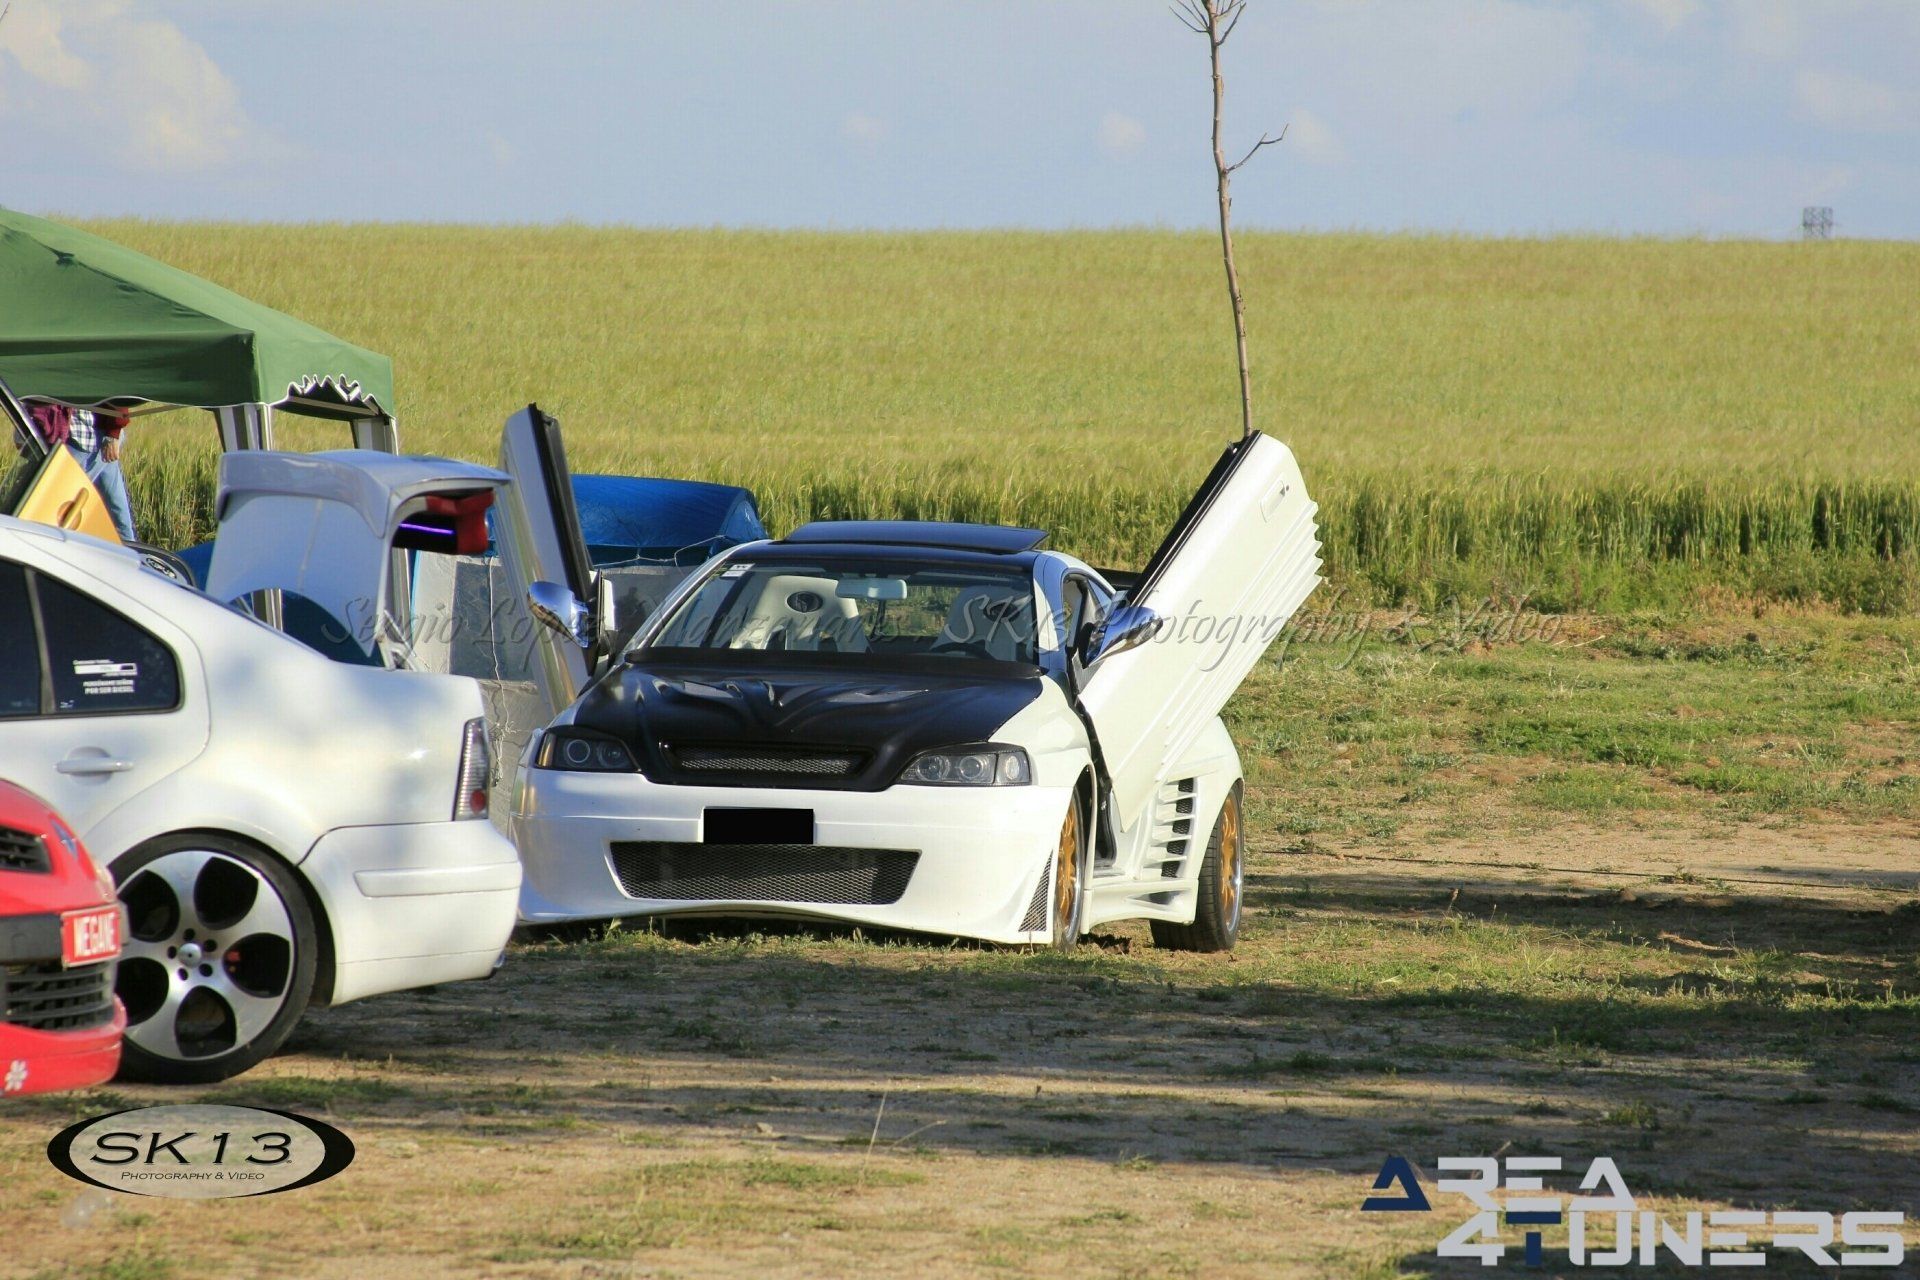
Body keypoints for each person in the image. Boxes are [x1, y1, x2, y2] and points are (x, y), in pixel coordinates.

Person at [26, 400, 137, 543]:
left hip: (88, 437)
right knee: (116, 501)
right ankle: (131, 547)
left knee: (57, 498)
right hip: (91, 435)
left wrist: (113, 434)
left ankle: (40, 542)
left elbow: (118, 392)